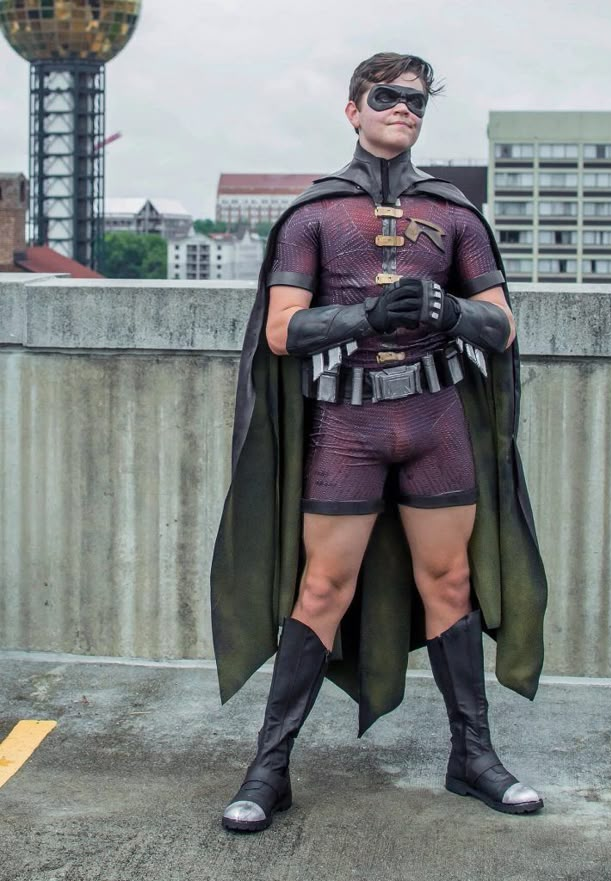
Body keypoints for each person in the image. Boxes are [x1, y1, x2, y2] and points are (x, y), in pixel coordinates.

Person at [210, 52, 548, 833]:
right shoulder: (315, 216)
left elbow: (502, 324)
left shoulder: (455, 213)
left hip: (433, 423)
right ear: (353, 107)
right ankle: (269, 768)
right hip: (348, 426)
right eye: (388, 97)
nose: (404, 109)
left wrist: (448, 310)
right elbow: (282, 329)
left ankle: (474, 757)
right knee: (322, 589)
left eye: (416, 101)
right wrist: (364, 318)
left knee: (450, 585)